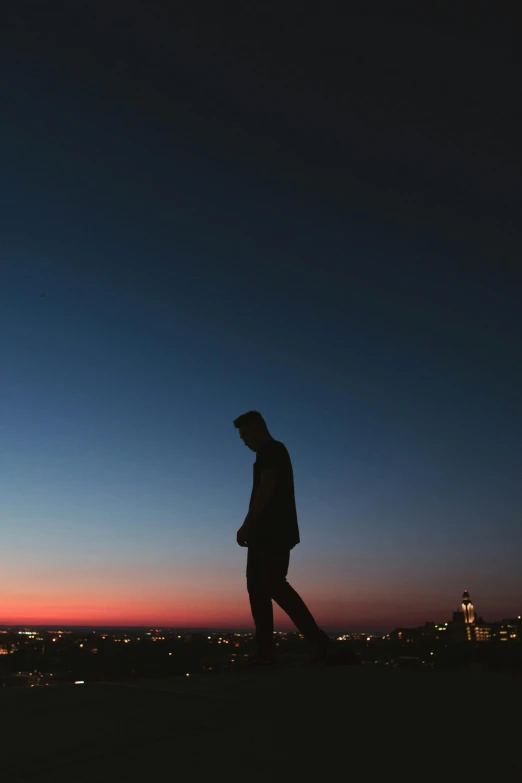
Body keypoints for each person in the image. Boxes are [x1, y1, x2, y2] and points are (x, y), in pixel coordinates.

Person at [234, 410, 330, 666]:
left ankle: (319, 643)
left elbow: (267, 488)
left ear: (257, 428)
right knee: (259, 589)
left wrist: (247, 524)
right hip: (264, 534)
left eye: (245, 436)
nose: (244, 442)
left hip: (272, 533)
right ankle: (266, 652)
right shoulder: (267, 453)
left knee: (274, 585)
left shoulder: (271, 451)